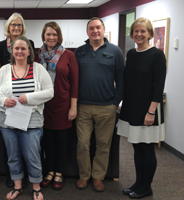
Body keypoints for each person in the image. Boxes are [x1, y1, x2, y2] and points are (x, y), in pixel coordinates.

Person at [0, 36, 53, 200]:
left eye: (23, 48)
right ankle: (17, 186)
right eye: (16, 48)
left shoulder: (38, 68)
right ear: (12, 50)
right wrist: (3, 100)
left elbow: (49, 92)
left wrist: (30, 98)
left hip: (32, 122)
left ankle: (36, 188)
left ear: (29, 51)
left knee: (32, 156)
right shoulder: (4, 69)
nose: (19, 51)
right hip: (8, 122)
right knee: (13, 156)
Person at [117, 17, 166, 199]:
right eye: (136, 31)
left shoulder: (157, 55)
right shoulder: (131, 54)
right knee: (136, 147)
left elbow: (159, 86)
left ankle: (147, 186)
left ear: (150, 33)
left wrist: (151, 111)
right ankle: (138, 183)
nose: (139, 34)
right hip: (132, 108)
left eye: (143, 31)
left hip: (148, 110)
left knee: (147, 148)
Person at [74, 17, 124, 192]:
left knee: (103, 144)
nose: (95, 31)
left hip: (106, 108)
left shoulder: (115, 51)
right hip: (83, 107)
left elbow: (121, 79)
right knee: (82, 143)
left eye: (98, 27)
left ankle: (97, 177)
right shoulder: (78, 52)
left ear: (104, 30)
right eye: (91, 28)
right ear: (87, 32)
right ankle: (83, 176)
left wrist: (115, 103)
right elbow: (73, 80)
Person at [0, 12, 35, 188]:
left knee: (27, 142)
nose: (16, 28)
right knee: (10, 144)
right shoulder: (0, 46)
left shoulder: (31, 44)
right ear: (8, 27)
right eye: (13, 25)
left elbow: (32, 67)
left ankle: (25, 175)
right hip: (8, 102)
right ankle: (12, 176)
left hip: (26, 101)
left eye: (19, 25)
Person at [38, 22, 78, 190]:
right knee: (47, 141)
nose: (51, 37)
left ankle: (59, 172)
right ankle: (50, 170)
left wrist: (73, 107)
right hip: (43, 106)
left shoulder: (68, 55)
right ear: (44, 36)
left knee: (61, 141)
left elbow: (75, 83)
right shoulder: (37, 55)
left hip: (63, 105)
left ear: (59, 36)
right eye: (48, 34)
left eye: (54, 34)